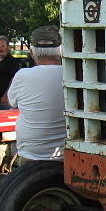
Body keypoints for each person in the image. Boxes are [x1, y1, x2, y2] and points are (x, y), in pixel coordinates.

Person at [7, 25, 66, 163]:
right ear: (61, 52)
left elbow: (12, 102)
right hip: (65, 155)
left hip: (30, 155)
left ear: (32, 53)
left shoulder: (22, 75)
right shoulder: (72, 75)